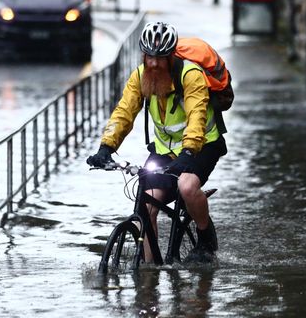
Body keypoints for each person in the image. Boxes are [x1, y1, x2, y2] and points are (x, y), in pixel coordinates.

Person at [87, 21, 227, 263]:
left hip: (202, 145)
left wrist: (188, 152)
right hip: (164, 150)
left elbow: (196, 116)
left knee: (186, 186)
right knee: (146, 205)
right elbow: (124, 111)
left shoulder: (190, 76)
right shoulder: (141, 76)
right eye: (148, 56)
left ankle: (205, 237)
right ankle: (149, 273)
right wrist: (106, 147)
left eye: (160, 58)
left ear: (171, 57)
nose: (153, 63)